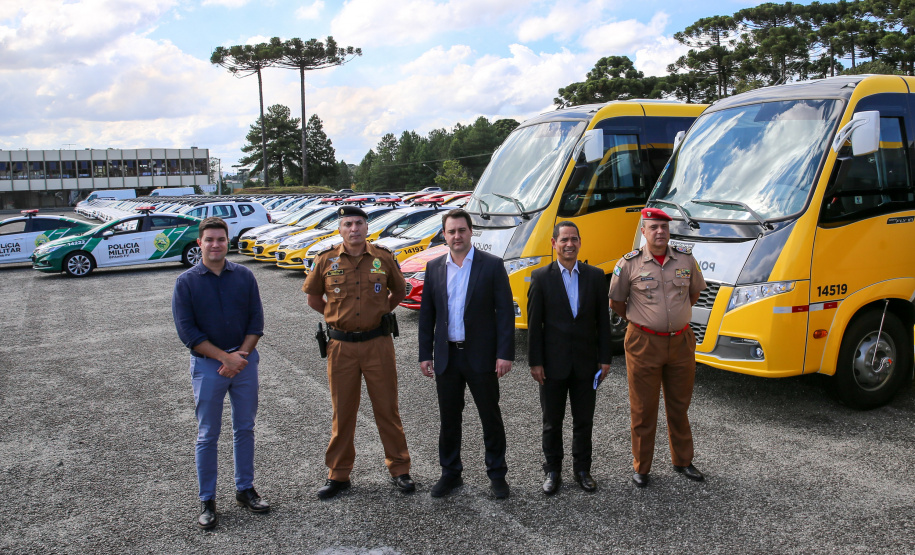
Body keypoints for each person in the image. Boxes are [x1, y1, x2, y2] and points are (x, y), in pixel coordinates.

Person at [302, 205, 413, 499]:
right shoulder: (325, 260)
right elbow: (314, 297)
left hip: (378, 344)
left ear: (367, 227)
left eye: (359, 223)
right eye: (348, 224)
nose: (354, 229)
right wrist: (336, 317)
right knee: (343, 412)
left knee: (387, 409)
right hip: (340, 347)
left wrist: (379, 313)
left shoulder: (383, 258)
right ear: (340, 229)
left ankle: (400, 469)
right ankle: (339, 475)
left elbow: (400, 292)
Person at [171, 216, 269, 530]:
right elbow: (187, 331)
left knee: (245, 428)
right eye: (210, 240)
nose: (216, 245)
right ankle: (207, 500)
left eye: (221, 239)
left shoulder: (244, 276)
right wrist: (224, 358)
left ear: (229, 242)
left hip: (243, 364)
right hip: (208, 366)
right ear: (199, 243)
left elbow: (256, 321)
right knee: (207, 434)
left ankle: (245, 490)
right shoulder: (186, 281)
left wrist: (239, 356)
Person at [418, 209, 515, 499]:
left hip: (482, 356)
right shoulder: (434, 268)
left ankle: (497, 474)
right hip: (447, 357)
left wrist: (504, 353)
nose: (457, 236)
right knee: (449, 419)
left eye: (462, 230)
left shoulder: (491, 266)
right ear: (444, 235)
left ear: (471, 232)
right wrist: (425, 354)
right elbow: (427, 316)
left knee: (490, 417)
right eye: (451, 231)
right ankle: (450, 473)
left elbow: (505, 314)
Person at [608, 207, 707, 488]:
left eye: (664, 227)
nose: (660, 232)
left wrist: (672, 318)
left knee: (679, 405)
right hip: (643, 343)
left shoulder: (686, 259)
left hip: (681, 342)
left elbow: (694, 293)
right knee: (643, 408)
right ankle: (642, 466)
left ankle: (683, 461)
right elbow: (616, 302)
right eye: (653, 227)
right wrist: (643, 322)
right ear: (644, 231)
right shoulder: (629, 263)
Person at [527, 221, 612, 495]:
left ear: (579, 242)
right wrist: (535, 362)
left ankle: (582, 470)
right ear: (554, 243)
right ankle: (552, 471)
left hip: (586, 364)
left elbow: (602, 322)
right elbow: (534, 324)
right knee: (552, 421)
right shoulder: (540, 278)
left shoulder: (596, 276)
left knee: (583, 420)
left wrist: (605, 358)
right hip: (552, 365)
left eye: (574, 239)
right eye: (564, 239)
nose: (569, 244)